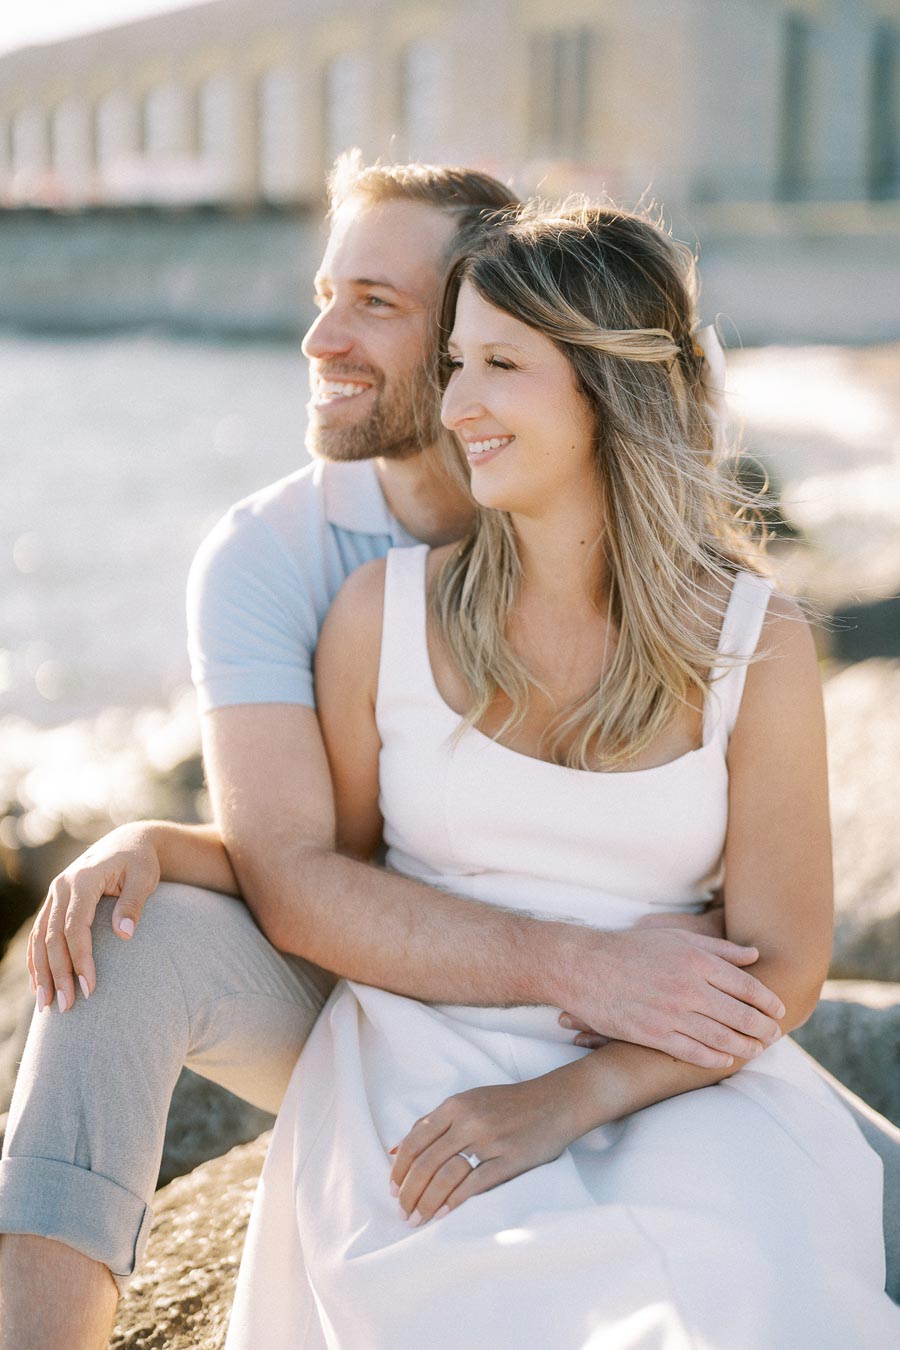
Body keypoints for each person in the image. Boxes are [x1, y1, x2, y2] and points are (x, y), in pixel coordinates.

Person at [0, 158, 896, 1348]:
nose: (329, 338)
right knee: (118, 943)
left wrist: (580, 1080)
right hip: (413, 1022)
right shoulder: (332, 587)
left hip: (649, 1052)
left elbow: (779, 952)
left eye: (383, 304)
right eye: (457, 360)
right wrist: (167, 843)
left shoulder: (748, 636)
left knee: (751, 1273)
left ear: (601, 383)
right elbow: (316, 872)